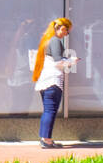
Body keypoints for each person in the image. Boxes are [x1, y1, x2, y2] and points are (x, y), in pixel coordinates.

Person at [31, 17, 75, 149]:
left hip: (45, 79)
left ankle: (45, 138)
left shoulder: (47, 39)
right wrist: (71, 61)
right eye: (67, 31)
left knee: (48, 110)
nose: (67, 34)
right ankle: (46, 140)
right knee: (50, 110)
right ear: (62, 28)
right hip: (53, 80)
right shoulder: (55, 40)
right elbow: (58, 61)